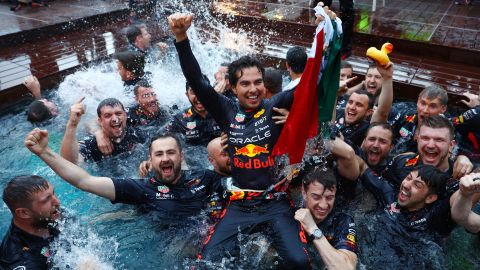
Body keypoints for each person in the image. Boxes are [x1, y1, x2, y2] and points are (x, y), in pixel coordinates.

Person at [170, 13, 310, 267]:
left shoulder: (275, 106)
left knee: (300, 262)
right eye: (245, 83)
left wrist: (332, 34)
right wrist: (181, 37)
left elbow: (311, 87)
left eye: (258, 82)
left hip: (276, 203)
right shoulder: (226, 111)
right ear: (233, 88)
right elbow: (196, 80)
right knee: (207, 263)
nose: (253, 88)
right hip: (240, 205)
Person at [26, 129, 224, 220]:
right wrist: (45, 152)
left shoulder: (205, 177)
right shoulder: (142, 189)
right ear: (151, 159)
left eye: (171, 152)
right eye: (159, 154)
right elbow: (84, 180)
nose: (165, 158)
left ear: (181, 156)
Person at [294, 168, 358, 270]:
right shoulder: (289, 216)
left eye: (329, 198)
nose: (323, 205)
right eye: (316, 197)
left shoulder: (341, 221)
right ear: (304, 193)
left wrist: (312, 229)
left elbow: (347, 268)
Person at [60, 98, 146, 164]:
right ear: (100, 121)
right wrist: (72, 124)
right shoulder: (92, 143)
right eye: (108, 116)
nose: (115, 119)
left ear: (125, 115)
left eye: (118, 113)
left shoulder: (138, 133)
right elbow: (70, 164)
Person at [0, 175, 60, 269]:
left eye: (53, 193)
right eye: (46, 200)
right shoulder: (22, 261)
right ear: (24, 213)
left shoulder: (51, 215)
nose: (57, 202)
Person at [335, 62, 394, 147]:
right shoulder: (339, 112)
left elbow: (382, 111)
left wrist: (388, 78)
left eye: (359, 105)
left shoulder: (368, 128)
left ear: (368, 112)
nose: (352, 107)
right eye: (350, 102)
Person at [388, 84, 449, 154]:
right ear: (417, 101)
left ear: (443, 109)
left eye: (432, 106)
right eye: (423, 103)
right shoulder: (405, 115)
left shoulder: (445, 130)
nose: (425, 110)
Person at [166, 80, 221, 146]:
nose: (199, 97)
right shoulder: (179, 120)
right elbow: (163, 140)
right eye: (193, 92)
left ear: (210, 92)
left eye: (203, 91)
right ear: (187, 95)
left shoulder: (223, 113)